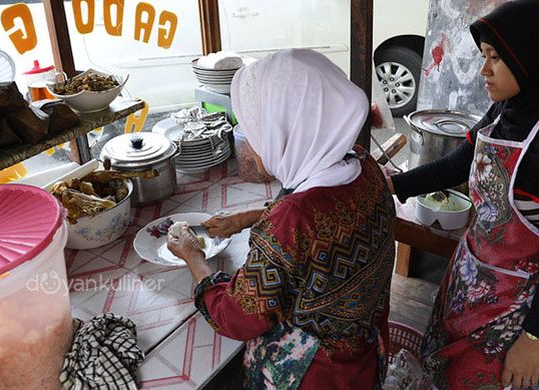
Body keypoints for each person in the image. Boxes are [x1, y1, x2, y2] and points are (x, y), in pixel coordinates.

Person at [385, 0, 539, 388]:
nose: (483, 70)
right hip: (475, 275)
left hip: (528, 307)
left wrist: (532, 340)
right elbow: (456, 165)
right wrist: (390, 185)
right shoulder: (509, 109)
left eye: (495, 58)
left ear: (531, 58)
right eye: (483, 55)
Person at [166, 48, 396, 389]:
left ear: (286, 130)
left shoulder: (290, 220)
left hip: (313, 374)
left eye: (255, 130)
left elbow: (237, 316)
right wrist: (249, 217)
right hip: (363, 354)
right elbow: (331, 223)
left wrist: (194, 258)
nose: (249, 146)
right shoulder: (365, 167)